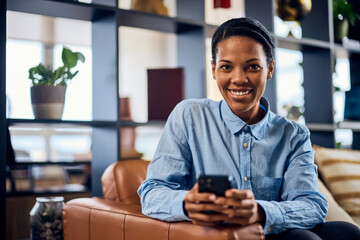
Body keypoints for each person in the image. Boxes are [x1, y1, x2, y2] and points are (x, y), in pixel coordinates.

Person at [137, 17, 360, 239]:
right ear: (214, 69)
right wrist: (186, 204)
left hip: (272, 229)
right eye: (226, 67)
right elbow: (152, 193)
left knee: (347, 232)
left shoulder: (293, 135)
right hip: (219, 234)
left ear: (270, 69)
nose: (239, 79)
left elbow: (311, 205)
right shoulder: (189, 116)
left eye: (252, 67)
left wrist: (259, 211)